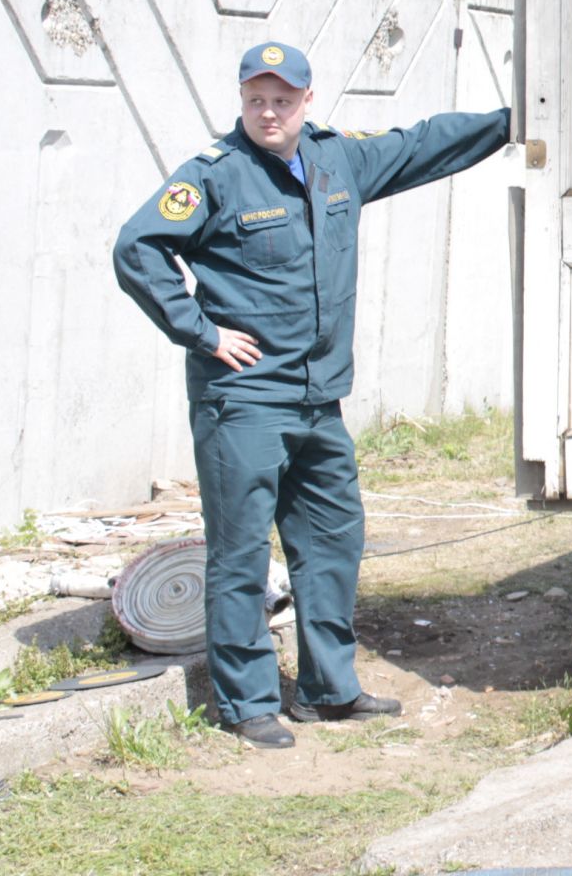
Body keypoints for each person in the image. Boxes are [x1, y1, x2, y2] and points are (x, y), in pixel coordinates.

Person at [113, 42, 511, 749]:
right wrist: (201, 333)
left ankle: (330, 690)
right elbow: (137, 248)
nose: (269, 112)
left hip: (319, 399)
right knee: (239, 553)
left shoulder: (338, 160)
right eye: (257, 99)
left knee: (332, 542)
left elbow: (422, 144)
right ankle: (248, 702)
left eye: (283, 99)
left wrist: (516, 119)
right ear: (242, 100)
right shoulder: (214, 175)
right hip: (243, 400)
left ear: (307, 100)